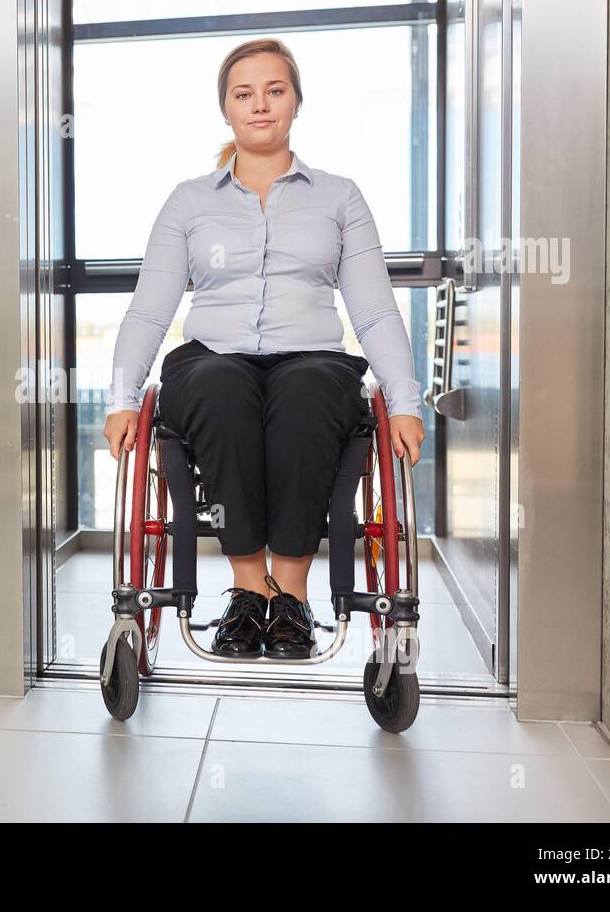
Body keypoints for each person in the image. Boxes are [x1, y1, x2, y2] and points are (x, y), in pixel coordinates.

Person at [102, 37, 425, 660]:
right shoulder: (189, 201)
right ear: (225, 108)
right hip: (212, 358)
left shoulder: (339, 197)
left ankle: (292, 597)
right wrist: (121, 397)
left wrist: (405, 400)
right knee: (222, 389)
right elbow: (150, 307)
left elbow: (374, 308)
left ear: (296, 103)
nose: (260, 105)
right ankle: (249, 591)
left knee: (306, 393)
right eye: (243, 93)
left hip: (312, 358)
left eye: (274, 90)